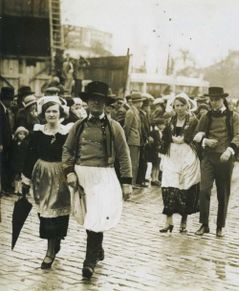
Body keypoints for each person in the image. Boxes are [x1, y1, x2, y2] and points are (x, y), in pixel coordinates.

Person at [62, 81, 132, 279]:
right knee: (89, 217)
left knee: (96, 217)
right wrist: (69, 171)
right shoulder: (79, 126)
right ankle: (97, 249)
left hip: (103, 176)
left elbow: (124, 154)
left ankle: (89, 262)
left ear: (105, 104)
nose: (96, 104)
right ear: (87, 102)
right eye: (93, 100)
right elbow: (67, 149)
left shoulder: (114, 127)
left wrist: (126, 182)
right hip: (82, 176)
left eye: (100, 100)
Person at [22, 99, 72, 269]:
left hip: (60, 176)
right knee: (44, 214)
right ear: (44, 114)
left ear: (60, 114)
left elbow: (71, 155)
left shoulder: (66, 133)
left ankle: (52, 249)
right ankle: (52, 245)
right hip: (41, 175)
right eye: (48, 111)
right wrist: (26, 179)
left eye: (55, 111)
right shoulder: (37, 132)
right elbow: (30, 156)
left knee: (57, 213)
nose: (51, 114)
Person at [193, 87, 239, 237]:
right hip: (208, 157)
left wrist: (229, 151)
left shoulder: (233, 116)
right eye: (211, 99)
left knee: (223, 193)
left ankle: (220, 226)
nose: (214, 102)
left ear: (223, 100)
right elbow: (196, 134)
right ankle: (204, 224)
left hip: (224, 158)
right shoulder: (206, 116)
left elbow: (238, 136)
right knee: (204, 190)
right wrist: (205, 141)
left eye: (217, 99)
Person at [159, 93, 201, 233]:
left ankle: (184, 221)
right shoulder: (170, 120)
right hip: (172, 155)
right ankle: (168, 221)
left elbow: (194, 137)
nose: (179, 108)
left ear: (187, 106)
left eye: (182, 105)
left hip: (187, 155)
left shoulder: (194, 120)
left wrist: (184, 139)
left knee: (185, 187)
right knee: (169, 186)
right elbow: (165, 137)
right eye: (176, 106)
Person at [124, 92, 146, 188]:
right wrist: (124, 140)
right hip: (132, 140)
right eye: (141, 102)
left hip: (136, 140)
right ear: (137, 102)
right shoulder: (130, 112)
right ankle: (130, 183)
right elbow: (127, 127)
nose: (141, 104)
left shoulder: (135, 111)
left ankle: (132, 182)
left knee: (135, 163)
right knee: (132, 162)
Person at [0, 87, 16, 195]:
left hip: (6, 144)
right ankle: (3, 188)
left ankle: (5, 187)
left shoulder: (5, 109)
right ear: (5, 99)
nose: (12, 102)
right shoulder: (0, 109)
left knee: (5, 165)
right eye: (10, 100)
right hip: (1, 144)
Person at [10, 126, 29, 195]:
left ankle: (20, 189)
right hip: (15, 162)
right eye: (20, 134)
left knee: (21, 176)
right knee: (16, 175)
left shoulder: (26, 144)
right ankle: (16, 189)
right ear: (17, 135)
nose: (22, 136)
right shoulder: (14, 143)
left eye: (23, 134)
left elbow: (26, 154)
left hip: (22, 162)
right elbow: (12, 152)